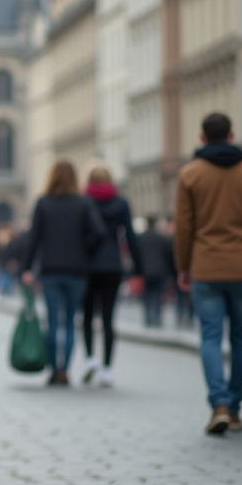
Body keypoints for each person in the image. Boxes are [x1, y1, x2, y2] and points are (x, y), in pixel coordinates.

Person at [174, 112, 242, 435]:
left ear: (202, 138)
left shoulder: (190, 174)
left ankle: (218, 403)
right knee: (241, 338)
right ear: (232, 136)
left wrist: (183, 266)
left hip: (206, 266)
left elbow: (184, 227)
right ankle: (234, 408)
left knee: (210, 337)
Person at [20, 159, 106, 386]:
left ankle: (52, 369)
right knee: (69, 322)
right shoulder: (84, 203)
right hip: (77, 270)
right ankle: (64, 370)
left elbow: (33, 238)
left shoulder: (43, 203)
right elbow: (99, 232)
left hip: (51, 269)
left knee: (52, 321)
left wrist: (26, 268)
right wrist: (85, 250)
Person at [82, 165, 142, 386]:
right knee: (108, 319)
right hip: (112, 265)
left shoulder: (84, 201)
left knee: (87, 316)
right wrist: (138, 267)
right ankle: (107, 369)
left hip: (88, 264)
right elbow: (130, 235)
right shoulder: (121, 202)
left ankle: (90, 359)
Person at [137, 216, 175, 327]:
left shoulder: (141, 237)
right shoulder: (161, 237)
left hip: (146, 270)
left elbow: (137, 253)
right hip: (160, 270)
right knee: (158, 294)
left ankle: (148, 316)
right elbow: (169, 253)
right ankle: (157, 316)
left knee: (147, 293)